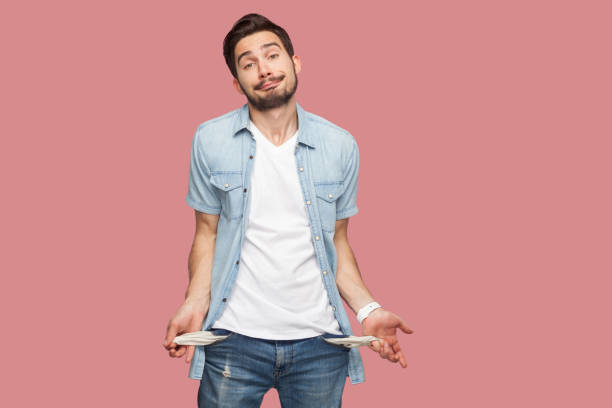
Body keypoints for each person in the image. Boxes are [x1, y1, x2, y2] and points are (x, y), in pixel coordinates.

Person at [162, 13, 413, 407]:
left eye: (272, 55)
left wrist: (369, 310)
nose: (264, 70)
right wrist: (194, 304)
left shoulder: (340, 145)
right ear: (236, 82)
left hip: (321, 346)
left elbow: (337, 243)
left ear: (294, 63)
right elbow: (207, 233)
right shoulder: (209, 140)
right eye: (248, 64)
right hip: (232, 341)